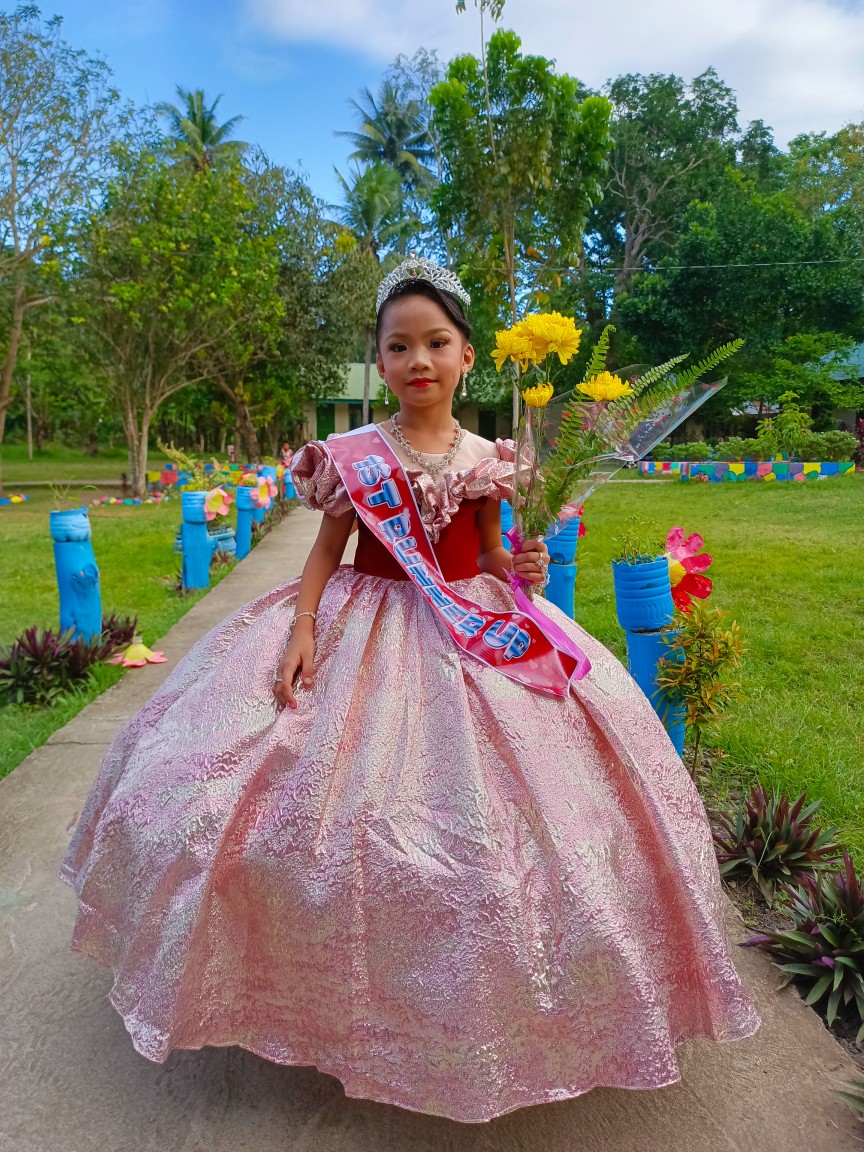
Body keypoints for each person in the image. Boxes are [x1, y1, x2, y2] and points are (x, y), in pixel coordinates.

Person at [60, 258, 759, 1124]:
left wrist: (522, 565)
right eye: (399, 346)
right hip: (365, 620)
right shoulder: (354, 458)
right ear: (380, 363)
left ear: (469, 356)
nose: (417, 359)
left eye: (436, 343)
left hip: (474, 622)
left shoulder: (490, 460)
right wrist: (305, 623)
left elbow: (490, 553)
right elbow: (327, 550)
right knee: (287, 797)